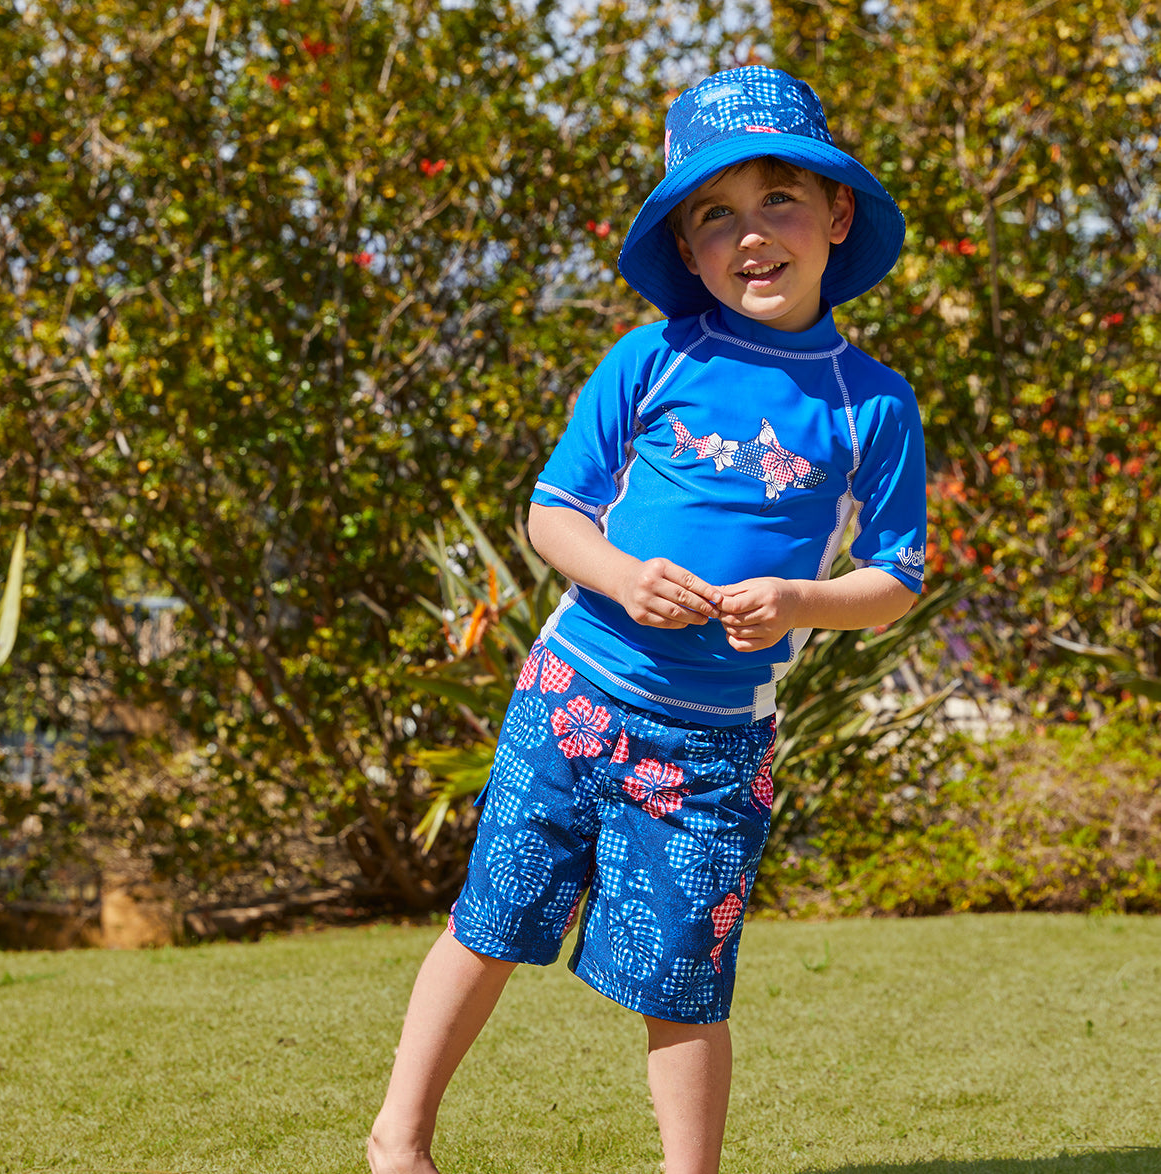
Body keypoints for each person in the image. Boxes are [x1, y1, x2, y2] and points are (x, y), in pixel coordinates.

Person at [367, 65, 927, 1174]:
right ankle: (400, 1139)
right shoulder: (650, 357)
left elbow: (897, 578)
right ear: (685, 246)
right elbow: (553, 515)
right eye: (715, 213)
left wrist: (806, 600)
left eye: (779, 200)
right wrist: (621, 577)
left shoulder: (872, 403)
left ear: (837, 216)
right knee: (492, 925)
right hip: (572, 697)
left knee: (685, 977)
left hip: (716, 743)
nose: (751, 234)